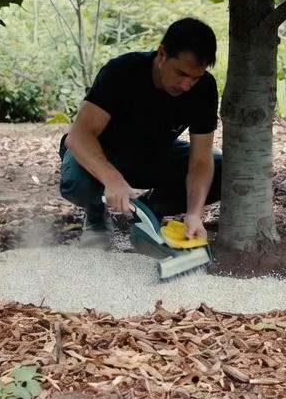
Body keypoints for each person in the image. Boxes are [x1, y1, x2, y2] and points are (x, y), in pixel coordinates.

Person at [59, 18, 223, 249]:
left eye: (195, 78)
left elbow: (200, 160)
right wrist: (112, 179)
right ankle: (96, 217)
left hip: (155, 156)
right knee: (76, 183)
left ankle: (148, 211)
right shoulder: (122, 71)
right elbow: (78, 136)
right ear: (162, 53)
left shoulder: (204, 88)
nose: (187, 85)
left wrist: (195, 213)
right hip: (105, 153)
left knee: (224, 169)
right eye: (181, 73)